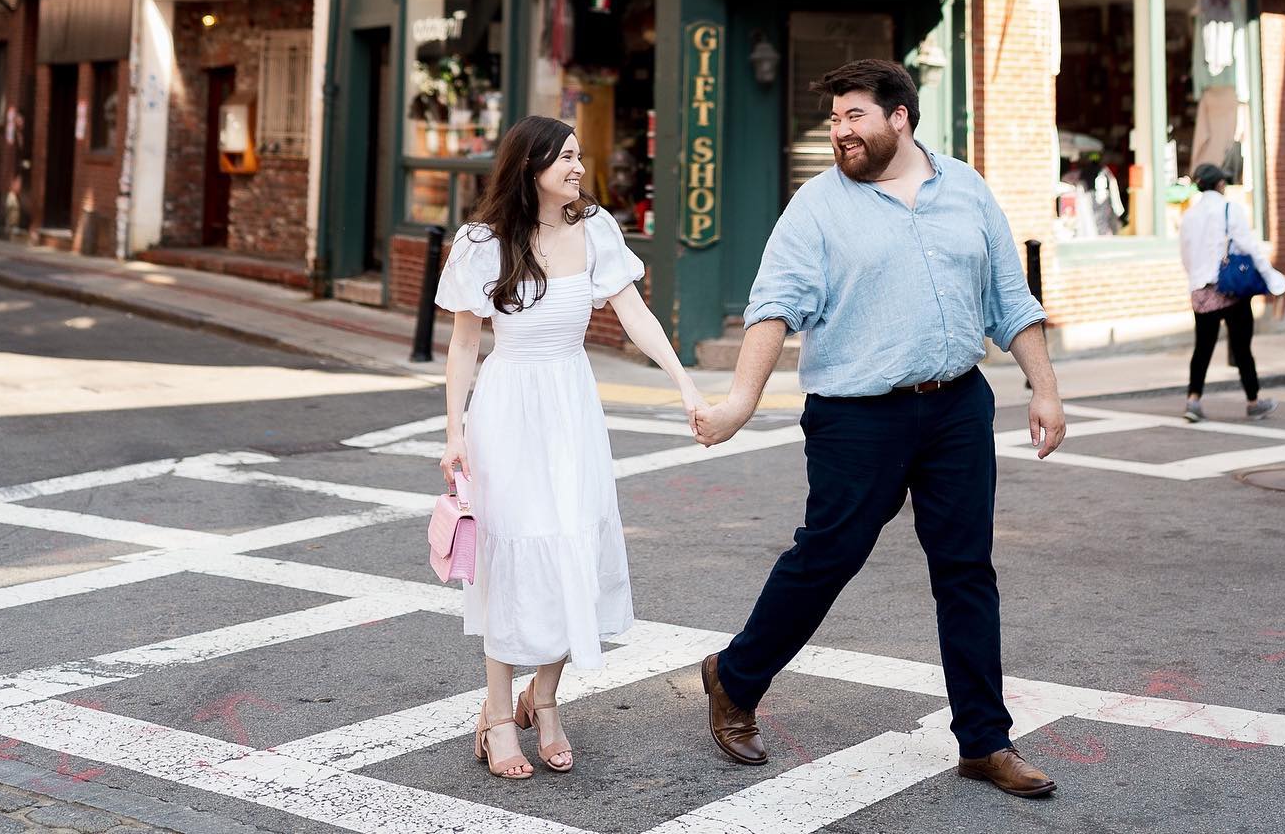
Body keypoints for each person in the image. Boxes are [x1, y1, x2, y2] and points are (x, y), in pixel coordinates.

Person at [693, 59, 1067, 801]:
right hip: (857, 414)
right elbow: (775, 304)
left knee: (966, 569)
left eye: (854, 116)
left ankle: (984, 740)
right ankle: (734, 678)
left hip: (958, 403)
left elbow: (1010, 298)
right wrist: (740, 399)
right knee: (829, 554)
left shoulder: (965, 190)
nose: (840, 132)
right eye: (834, 120)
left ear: (900, 117)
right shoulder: (817, 207)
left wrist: (1046, 388)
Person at [436, 115, 707, 780]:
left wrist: (683, 380)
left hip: (571, 406)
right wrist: (453, 431)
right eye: (564, 158)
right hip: (506, 411)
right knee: (513, 555)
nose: (578, 167)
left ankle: (546, 698)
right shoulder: (483, 241)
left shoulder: (596, 229)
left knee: (573, 547)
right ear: (529, 167)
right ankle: (499, 712)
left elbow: (634, 312)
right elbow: (466, 343)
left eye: (579, 156)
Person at [1178, 162, 1285, 423]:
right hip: (1231, 290)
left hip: (1202, 291)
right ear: (1220, 185)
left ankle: (1193, 400)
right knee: (1242, 348)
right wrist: (1276, 281)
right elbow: (1250, 248)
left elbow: (1185, 255)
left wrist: (1197, 279)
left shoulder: (1189, 215)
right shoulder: (1230, 209)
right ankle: (1253, 401)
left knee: (1202, 347)